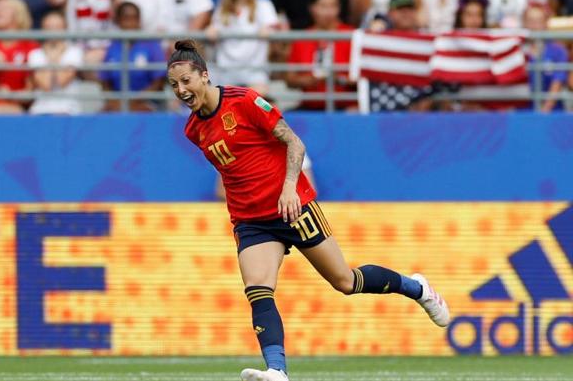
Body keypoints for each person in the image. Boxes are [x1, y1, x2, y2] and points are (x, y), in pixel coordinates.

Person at [167, 39, 450, 381]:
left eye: (186, 81)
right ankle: (277, 370)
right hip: (250, 219)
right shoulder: (193, 130)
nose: (181, 90)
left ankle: (416, 288)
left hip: (291, 206)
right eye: (174, 85)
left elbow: (294, 142)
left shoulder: (244, 101)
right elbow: (235, 169)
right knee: (258, 289)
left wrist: (289, 188)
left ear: (205, 75)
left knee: (346, 281)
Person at [284, 0, 356, 111]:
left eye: (333, 6)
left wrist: (339, 79)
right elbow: (289, 79)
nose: (328, 12)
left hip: (345, 106)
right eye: (323, 6)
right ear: (312, 8)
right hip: (310, 106)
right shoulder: (302, 39)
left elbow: (363, 78)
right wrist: (308, 80)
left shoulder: (352, 35)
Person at [99, 1, 166, 111]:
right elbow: (105, 81)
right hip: (117, 103)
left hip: (146, 103)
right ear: (119, 22)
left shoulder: (151, 44)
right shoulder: (113, 46)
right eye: (126, 19)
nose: (130, 23)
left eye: (134, 18)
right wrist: (115, 102)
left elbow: (158, 82)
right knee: (100, 119)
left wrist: (134, 102)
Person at [206, 0, 279, 96]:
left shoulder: (263, 5)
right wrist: (211, 32)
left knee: (255, 103)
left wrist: (270, 31)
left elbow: (274, 29)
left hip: (255, 70)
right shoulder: (222, 6)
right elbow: (213, 32)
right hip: (226, 70)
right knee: (225, 106)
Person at [28, 9, 83, 115]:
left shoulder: (75, 52)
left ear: (65, 29)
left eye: (57, 27)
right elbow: (46, 85)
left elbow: (61, 81)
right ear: (43, 30)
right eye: (49, 27)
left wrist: (51, 59)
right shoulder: (35, 54)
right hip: (40, 110)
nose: (53, 31)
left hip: (68, 111)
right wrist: (54, 58)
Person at [523, 2, 568, 112]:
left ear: (546, 23)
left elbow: (557, 83)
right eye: (531, 21)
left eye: (539, 21)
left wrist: (543, 113)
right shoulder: (516, 49)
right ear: (524, 23)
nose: (534, 26)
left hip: (552, 114)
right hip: (522, 113)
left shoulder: (558, 50)